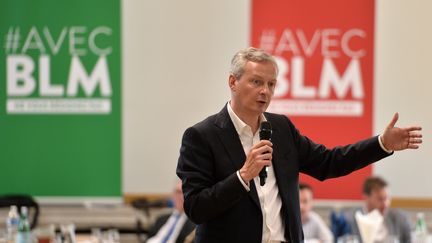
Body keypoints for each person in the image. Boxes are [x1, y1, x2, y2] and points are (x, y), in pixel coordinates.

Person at [176, 47, 422, 243]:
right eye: (256, 82)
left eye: (271, 84)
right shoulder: (201, 136)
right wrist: (243, 176)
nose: (265, 91)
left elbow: (329, 162)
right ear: (233, 82)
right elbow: (196, 208)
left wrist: (381, 144)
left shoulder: (281, 129)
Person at [343, 176, 412, 243]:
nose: (385, 204)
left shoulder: (399, 218)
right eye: (380, 199)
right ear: (366, 198)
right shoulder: (350, 220)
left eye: (387, 198)